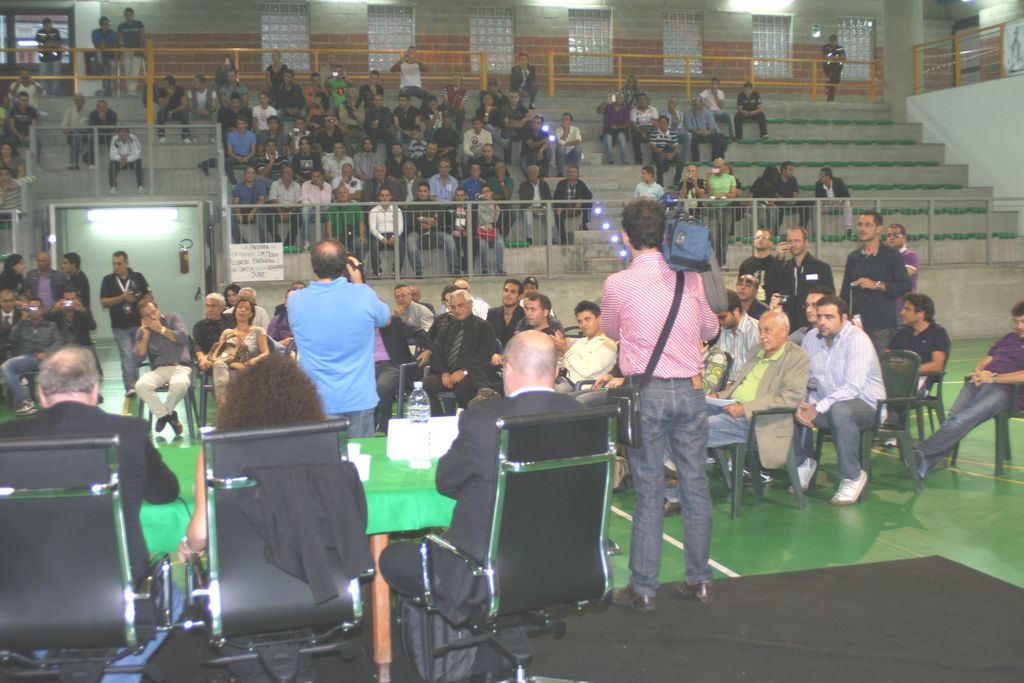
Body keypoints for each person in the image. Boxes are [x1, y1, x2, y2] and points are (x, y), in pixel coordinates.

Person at [379, 332, 580, 626]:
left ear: (507, 369)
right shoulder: (583, 415)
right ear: (556, 369)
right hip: (563, 563)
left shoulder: (482, 419)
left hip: (481, 570)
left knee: (392, 558)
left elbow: (446, 482)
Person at [0, 347, 180, 676]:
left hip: (24, 601)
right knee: (174, 597)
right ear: (95, 389)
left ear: (41, 394)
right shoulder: (131, 432)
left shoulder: (6, 438)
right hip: (118, 597)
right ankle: (115, 674)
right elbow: (164, 493)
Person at [603, 198, 719, 610]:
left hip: (646, 393)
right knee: (695, 485)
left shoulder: (617, 283)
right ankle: (699, 581)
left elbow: (609, 328)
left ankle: (644, 588)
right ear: (665, 234)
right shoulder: (689, 278)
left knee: (649, 490)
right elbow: (710, 328)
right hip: (690, 390)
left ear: (626, 237)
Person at [288, 240, 390, 436]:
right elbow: (385, 319)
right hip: (358, 396)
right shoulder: (363, 294)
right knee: (360, 454)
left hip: (316, 399)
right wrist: (359, 282)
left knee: (321, 455)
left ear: (313, 265)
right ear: (345, 266)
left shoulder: (295, 300)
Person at [914, 301, 1024, 476]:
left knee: (962, 419)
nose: (1019, 326)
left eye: (1023, 322)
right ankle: (925, 463)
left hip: (1006, 391)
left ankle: (920, 452)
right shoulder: (1009, 338)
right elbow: (986, 360)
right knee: (953, 419)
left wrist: (994, 378)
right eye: (1016, 321)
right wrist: (978, 371)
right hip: (981, 382)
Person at [794, 295, 884, 505]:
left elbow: (853, 388)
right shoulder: (811, 338)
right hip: (827, 404)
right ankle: (802, 463)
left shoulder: (857, 340)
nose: (822, 322)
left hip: (867, 407)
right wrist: (801, 402)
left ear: (844, 318)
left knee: (840, 410)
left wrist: (818, 407)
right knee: (786, 406)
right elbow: (805, 377)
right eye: (819, 316)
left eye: (829, 317)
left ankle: (852, 477)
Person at [707, 310, 809, 473]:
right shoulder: (757, 350)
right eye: (760, 330)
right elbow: (740, 384)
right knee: (681, 415)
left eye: (767, 330)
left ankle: (678, 477)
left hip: (755, 419)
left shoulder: (796, 357)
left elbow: (788, 398)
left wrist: (744, 409)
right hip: (730, 405)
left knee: (693, 429)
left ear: (784, 331)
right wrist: (717, 396)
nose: (762, 336)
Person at [840, 210, 913, 355]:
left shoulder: (891, 255)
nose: (862, 228)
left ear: (878, 229)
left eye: (868, 225)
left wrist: (878, 285)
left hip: (882, 327)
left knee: (882, 366)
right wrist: (845, 317)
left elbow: (905, 285)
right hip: (856, 326)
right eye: (860, 224)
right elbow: (845, 292)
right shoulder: (853, 258)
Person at [423, 288, 500, 415]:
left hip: (471, 374)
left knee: (465, 387)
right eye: (453, 307)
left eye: (460, 305)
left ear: (470, 305)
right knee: (426, 384)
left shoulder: (484, 327)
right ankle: (439, 420)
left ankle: (466, 420)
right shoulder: (447, 328)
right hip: (447, 374)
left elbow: (485, 356)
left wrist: (464, 371)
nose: (457, 310)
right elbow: (436, 353)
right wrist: (444, 373)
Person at [134, 299, 192, 437]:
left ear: (158, 309)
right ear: (142, 319)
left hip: (180, 366)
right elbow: (137, 358)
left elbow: (183, 338)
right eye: (147, 316)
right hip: (159, 369)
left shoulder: (172, 318)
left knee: (179, 385)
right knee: (141, 386)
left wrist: (161, 329)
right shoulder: (142, 331)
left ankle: (163, 415)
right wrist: (145, 336)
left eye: (153, 312)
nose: (152, 316)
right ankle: (168, 416)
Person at [1, 296, 62, 416]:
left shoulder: (51, 325)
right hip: (27, 357)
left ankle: (63, 401)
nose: (34, 310)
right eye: (31, 308)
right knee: (5, 366)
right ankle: (26, 402)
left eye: (37, 308)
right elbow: (12, 339)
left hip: (46, 358)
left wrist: (47, 353)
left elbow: (59, 342)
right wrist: (22, 320)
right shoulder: (23, 324)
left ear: (42, 309)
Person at [100, 251, 150, 397]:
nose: (116, 266)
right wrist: (122, 298)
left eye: (119, 264)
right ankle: (131, 387)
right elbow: (104, 302)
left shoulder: (137, 277)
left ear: (126, 263)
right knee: (127, 355)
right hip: (119, 326)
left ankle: (141, 383)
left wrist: (139, 303)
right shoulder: (108, 280)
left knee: (139, 355)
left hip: (139, 324)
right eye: (114, 264)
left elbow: (149, 295)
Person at [767, 225, 835, 331]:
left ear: (806, 242)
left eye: (797, 241)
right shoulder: (784, 267)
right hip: (789, 326)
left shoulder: (821, 268)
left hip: (813, 325)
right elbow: (772, 286)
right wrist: (779, 259)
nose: (793, 244)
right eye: (790, 241)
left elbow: (830, 297)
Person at [374, 314, 432, 433]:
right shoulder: (359, 326)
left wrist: (427, 350)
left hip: (391, 365)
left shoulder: (392, 322)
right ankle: (368, 425)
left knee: (383, 386)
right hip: (367, 366)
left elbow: (420, 332)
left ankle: (384, 426)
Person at [209, 296, 269, 407]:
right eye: (240, 307)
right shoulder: (227, 332)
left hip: (248, 366)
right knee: (219, 365)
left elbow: (266, 353)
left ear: (251, 314)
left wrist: (255, 360)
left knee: (227, 378)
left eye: (246, 308)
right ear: (235, 311)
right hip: (227, 366)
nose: (242, 310)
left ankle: (228, 410)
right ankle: (224, 406)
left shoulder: (258, 331)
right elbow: (218, 353)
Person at [887, 293, 950, 393]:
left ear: (921, 313)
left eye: (907, 309)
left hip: (920, 382)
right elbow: (887, 357)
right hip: (896, 380)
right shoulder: (902, 333)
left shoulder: (938, 333)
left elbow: (937, 365)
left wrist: (908, 371)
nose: (902, 312)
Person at [554, 300, 618, 393]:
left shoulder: (608, 345)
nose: (583, 325)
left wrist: (565, 350)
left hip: (584, 388)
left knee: (547, 393)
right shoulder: (581, 342)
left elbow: (587, 372)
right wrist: (560, 353)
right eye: (580, 321)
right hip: (565, 381)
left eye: (587, 319)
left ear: (599, 318)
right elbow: (566, 364)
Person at [714, 289, 761, 384]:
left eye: (722, 317)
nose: (719, 321)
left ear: (735, 311)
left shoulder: (755, 331)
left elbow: (758, 371)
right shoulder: (723, 329)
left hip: (746, 385)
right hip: (724, 385)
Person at [553, 165, 593, 245]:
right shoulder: (561, 184)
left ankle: (583, 224)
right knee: (557, 214)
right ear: (567, 174)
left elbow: (589, 195)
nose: (571, 174)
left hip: (576, 208)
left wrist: (581, 199)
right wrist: (559, 207)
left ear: (577, 174)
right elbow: (556, 197)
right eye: (569, 172)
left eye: (574, 172)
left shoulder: (581, 184)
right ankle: (563, 239)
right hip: (564, 208)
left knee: (589, 203)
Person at [886, 223, 919, 313]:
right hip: (887, 306)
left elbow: (901, 275)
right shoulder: (885, 257)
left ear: (904, 238)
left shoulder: (910, 256)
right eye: (889, 235)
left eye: (896, 235)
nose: (891, 238)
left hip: (903, 308)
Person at [739, 228, 776, 305]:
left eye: (764, 238)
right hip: (750, 307)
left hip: (770, 308)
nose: (759, 239)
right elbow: (741, 288)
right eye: (757, 237)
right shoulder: (746, 264)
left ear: (771, 243)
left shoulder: (776, 264)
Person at [684, 96, 726, 162]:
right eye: (694, 101)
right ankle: (695, 160)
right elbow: (688, 127)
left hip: (706, 133)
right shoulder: (688, 113)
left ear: (701, 103)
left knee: (717, 138)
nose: (695, 103)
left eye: (697, 101)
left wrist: (707, 132)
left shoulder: (707, 112)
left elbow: (711, 126)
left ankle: (714, 159)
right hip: (695, 133)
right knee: (693, 139)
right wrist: (698, 132)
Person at [193, 292, 229, 368]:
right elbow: (196, 345)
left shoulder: (231, 320)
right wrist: (201, 358)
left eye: (213, 306)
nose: (209, 309)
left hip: (230, 356)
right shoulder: (200, 325)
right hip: (209, 358)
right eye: (207, 306)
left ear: (222, 308)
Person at [517, 164, 551, 246]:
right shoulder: (523, 185)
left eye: (534, 172)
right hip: (529, 208)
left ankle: (551, 238)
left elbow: (549, 198)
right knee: (528, 214)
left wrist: (543, 207)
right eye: (530, 173)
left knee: (551, 214)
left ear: (538, 173)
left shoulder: (544, 184)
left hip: (542, 207)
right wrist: (532, 208)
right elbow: (523, 201)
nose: (532, 174)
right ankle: (529, 238)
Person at [486, 278, 525, 349]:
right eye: (505, 290)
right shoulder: (492, 313)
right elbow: (486, 339)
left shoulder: (525, 316)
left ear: (520, 296)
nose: (507, 294)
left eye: (513, 292)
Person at [814, 166, 853, 236]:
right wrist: (825, 202)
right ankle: (817, 231)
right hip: (827, 205)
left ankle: (848, 229)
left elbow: (846, 195)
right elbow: (818, 198)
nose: (820, 177)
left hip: (839, 204)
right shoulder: (818, 184)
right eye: (820, 175)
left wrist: (838, 201)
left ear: (828, 177)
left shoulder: (838, 182)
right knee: (816, 207)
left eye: (822, 176)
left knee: (847, 203)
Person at [117, 7, 146, 95]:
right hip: (126, 50)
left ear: (133, 15)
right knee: (127, 71)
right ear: (124, 16)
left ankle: (132, 91)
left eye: (130, 15)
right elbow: (120, 39)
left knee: (135, 71)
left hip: (137, 49)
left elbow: (142, 37)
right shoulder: (121, 26)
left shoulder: (139, 24)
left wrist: (140, 49)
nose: (128, 16)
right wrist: (120, 49)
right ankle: (129, 91)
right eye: (126, 15)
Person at [648, 115, 684, 188]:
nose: (662, 125)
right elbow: (653, 148)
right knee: (660, 158)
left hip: (670, 151)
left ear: (667, 124)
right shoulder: (654, 133)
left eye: (664, 123)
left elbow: (676, 146)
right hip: (659, 152)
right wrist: (665, 154)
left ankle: (677, 181)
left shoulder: (672, 133)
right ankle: (660, 183)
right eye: (660, 123)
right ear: (658, 124)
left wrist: (672, 154)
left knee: (681, 160)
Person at [108, 127, 144, 195]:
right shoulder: (115, 139)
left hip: (131, 161)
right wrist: (121, 158)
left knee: (138, 161)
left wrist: (126, 159)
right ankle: (113, 187)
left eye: (124, 134)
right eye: (120, 135)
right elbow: (112, 154)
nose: (122, 136)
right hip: (120, 162)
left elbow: (137, 154)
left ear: (128, 134)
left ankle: (140, 186)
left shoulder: (133, 138)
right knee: (112, 163)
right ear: (118, 135)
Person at [598, 92, 630, 164]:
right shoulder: (608, 107)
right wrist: (605, 102)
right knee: (607, 138)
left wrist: (617, 127)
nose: (618, 99)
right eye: (617, 97)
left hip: (620, 130)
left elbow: (627, 124)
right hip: (608, 130)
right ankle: (610, 160)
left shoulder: (625, 110)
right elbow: (598, 111)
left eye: (620, 98)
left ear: (623, 100)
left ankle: (625, 159)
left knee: (621, 137)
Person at [156, 75, 190, 143]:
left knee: (185, 112)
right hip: (166, 112)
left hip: (177, 112)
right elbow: (162, 106)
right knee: (160, 112)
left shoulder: (180, 89)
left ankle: (185, 136)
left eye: (165, 84)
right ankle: (161, 136)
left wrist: (171, 112)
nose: (163, 85)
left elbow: (183, 105)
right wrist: (168, 95)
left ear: (170, 85)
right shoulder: (161, 90)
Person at [629, 93, 659, 166]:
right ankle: (638, 160)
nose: (642, 101)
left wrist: (651, 133)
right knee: (635, 137)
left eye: (644, 99)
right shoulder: (633, 110)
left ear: (648, 101)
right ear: (637, 102)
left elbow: (655, 123)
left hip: (651, 130)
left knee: (656, 136)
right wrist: (642, 133)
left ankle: (654, 160)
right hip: (639, 131)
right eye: (639, 100)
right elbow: (634, 125)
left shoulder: (653, 109)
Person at [91, 17, 118, 96]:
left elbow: (111, 43)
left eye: (107, 24)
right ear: (100, 24)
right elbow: (96, 43)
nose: (106, 25)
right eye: (104, 24)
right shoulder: (95, 32)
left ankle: (109, 92)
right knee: (103, 74)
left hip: (110, 56)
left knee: (110, 74)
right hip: (99, 56)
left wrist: (104, 45)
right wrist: (102, 45)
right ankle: (104, 91)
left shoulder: (113, 33)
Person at [61, 94, 89, 170]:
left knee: (76, 134)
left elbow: (88, 125)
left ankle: (73, 163)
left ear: (84, 102)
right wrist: (67, 129)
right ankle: (80, 149)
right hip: (72, 133)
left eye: (80, 100)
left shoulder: (87, 111)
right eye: (77, 100)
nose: (79, 102)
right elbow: (64, 124)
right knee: (75, 135)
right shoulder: (69, 111)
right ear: (74, 102)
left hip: (84, 134)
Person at [36, 18, 63, 96]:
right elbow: (38, 44)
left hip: (56, 57)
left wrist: (50, 44)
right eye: (47, 25)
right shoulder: (40, 32)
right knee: (42, 76)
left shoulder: (56, 31)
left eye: (50, 25)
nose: (49, 27)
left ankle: (54, 94)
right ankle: (44, 93)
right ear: (44, 26)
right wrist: (47, 45)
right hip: (44, 58)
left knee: (56, 76)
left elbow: (59, 43)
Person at [554, 112, 582, 176]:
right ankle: (560, 172)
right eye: (563, 120)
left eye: (567, 120)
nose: (565, 121)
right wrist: (566, 130)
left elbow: (578, 141)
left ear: (571, 122)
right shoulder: (558, 130)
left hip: (572, 154)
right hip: (561, 155)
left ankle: (575, 171)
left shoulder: (576, 129)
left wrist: (565, 144)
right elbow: (560, 143)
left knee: (579, 148)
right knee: (560, 148)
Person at [822, 34, 846, 102]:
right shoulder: (826, 47)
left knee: (834, 83)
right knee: (831, 83)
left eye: (834, 41)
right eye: (832, 41)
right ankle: (829, 98)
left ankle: (830, 97)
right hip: (828, 69)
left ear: (836, 41)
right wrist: (837, 58)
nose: (833, 42)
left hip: (837, 69)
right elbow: (825, 57)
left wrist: (833, 58)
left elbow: (843, 57)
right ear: (829, 41)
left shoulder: (840, 48)